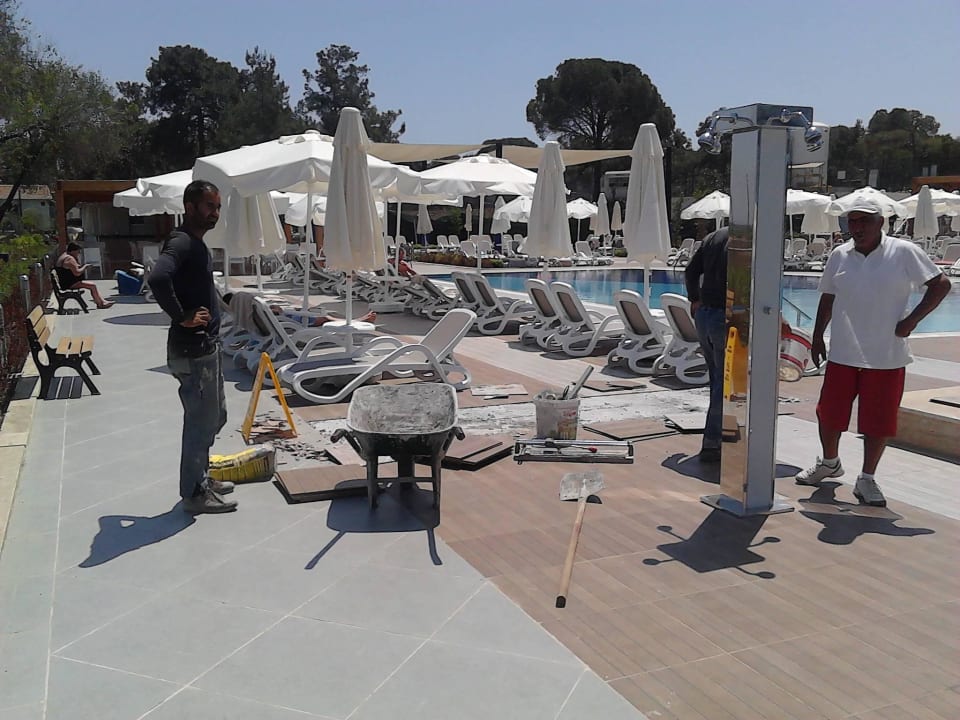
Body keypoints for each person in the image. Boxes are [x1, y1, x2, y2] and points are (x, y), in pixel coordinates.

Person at [795, 198, 951, 506]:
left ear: (881, 222)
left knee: (878, 420)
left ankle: (866, 478)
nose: (858, 227)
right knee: (829, 413)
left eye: (865, 221)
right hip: (843, 352)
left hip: (886, 355)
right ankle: (830, 462)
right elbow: (828, 297)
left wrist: (910, 322)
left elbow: (941, 285)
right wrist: (817, 336)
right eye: (853, 221)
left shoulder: (903, 251)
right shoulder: (839, 254)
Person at [148, 180, 237, 515]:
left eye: (218, 207)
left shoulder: (196, 244)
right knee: (200, 422)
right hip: (192, 349)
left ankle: (201, 476)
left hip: (206, 347)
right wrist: (181, 316)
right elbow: (158, 278)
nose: (215, 213)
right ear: (190, 207)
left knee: (216, 416)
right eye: (209, 206)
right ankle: (194, 494)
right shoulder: (182, 241)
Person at [684, 227, 728, 463]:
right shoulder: (747, 238)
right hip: (725, 317)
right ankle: (713, 442)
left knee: (717, 379)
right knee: (725, 382)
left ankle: (719, 433)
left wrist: (694, 298)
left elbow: (691, 270)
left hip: (705, 316)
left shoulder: (713, 237)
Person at [55, 242, 114, 308]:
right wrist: (85, 267)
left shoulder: (64, 255)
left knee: (92, 285)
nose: (78, 253)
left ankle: (102, 301)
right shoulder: (69, 259)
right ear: (73, 251)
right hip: (69, 284)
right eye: (78, 251)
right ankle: (100, 304)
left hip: (65, 282)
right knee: (92, 286)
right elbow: (77, 273)